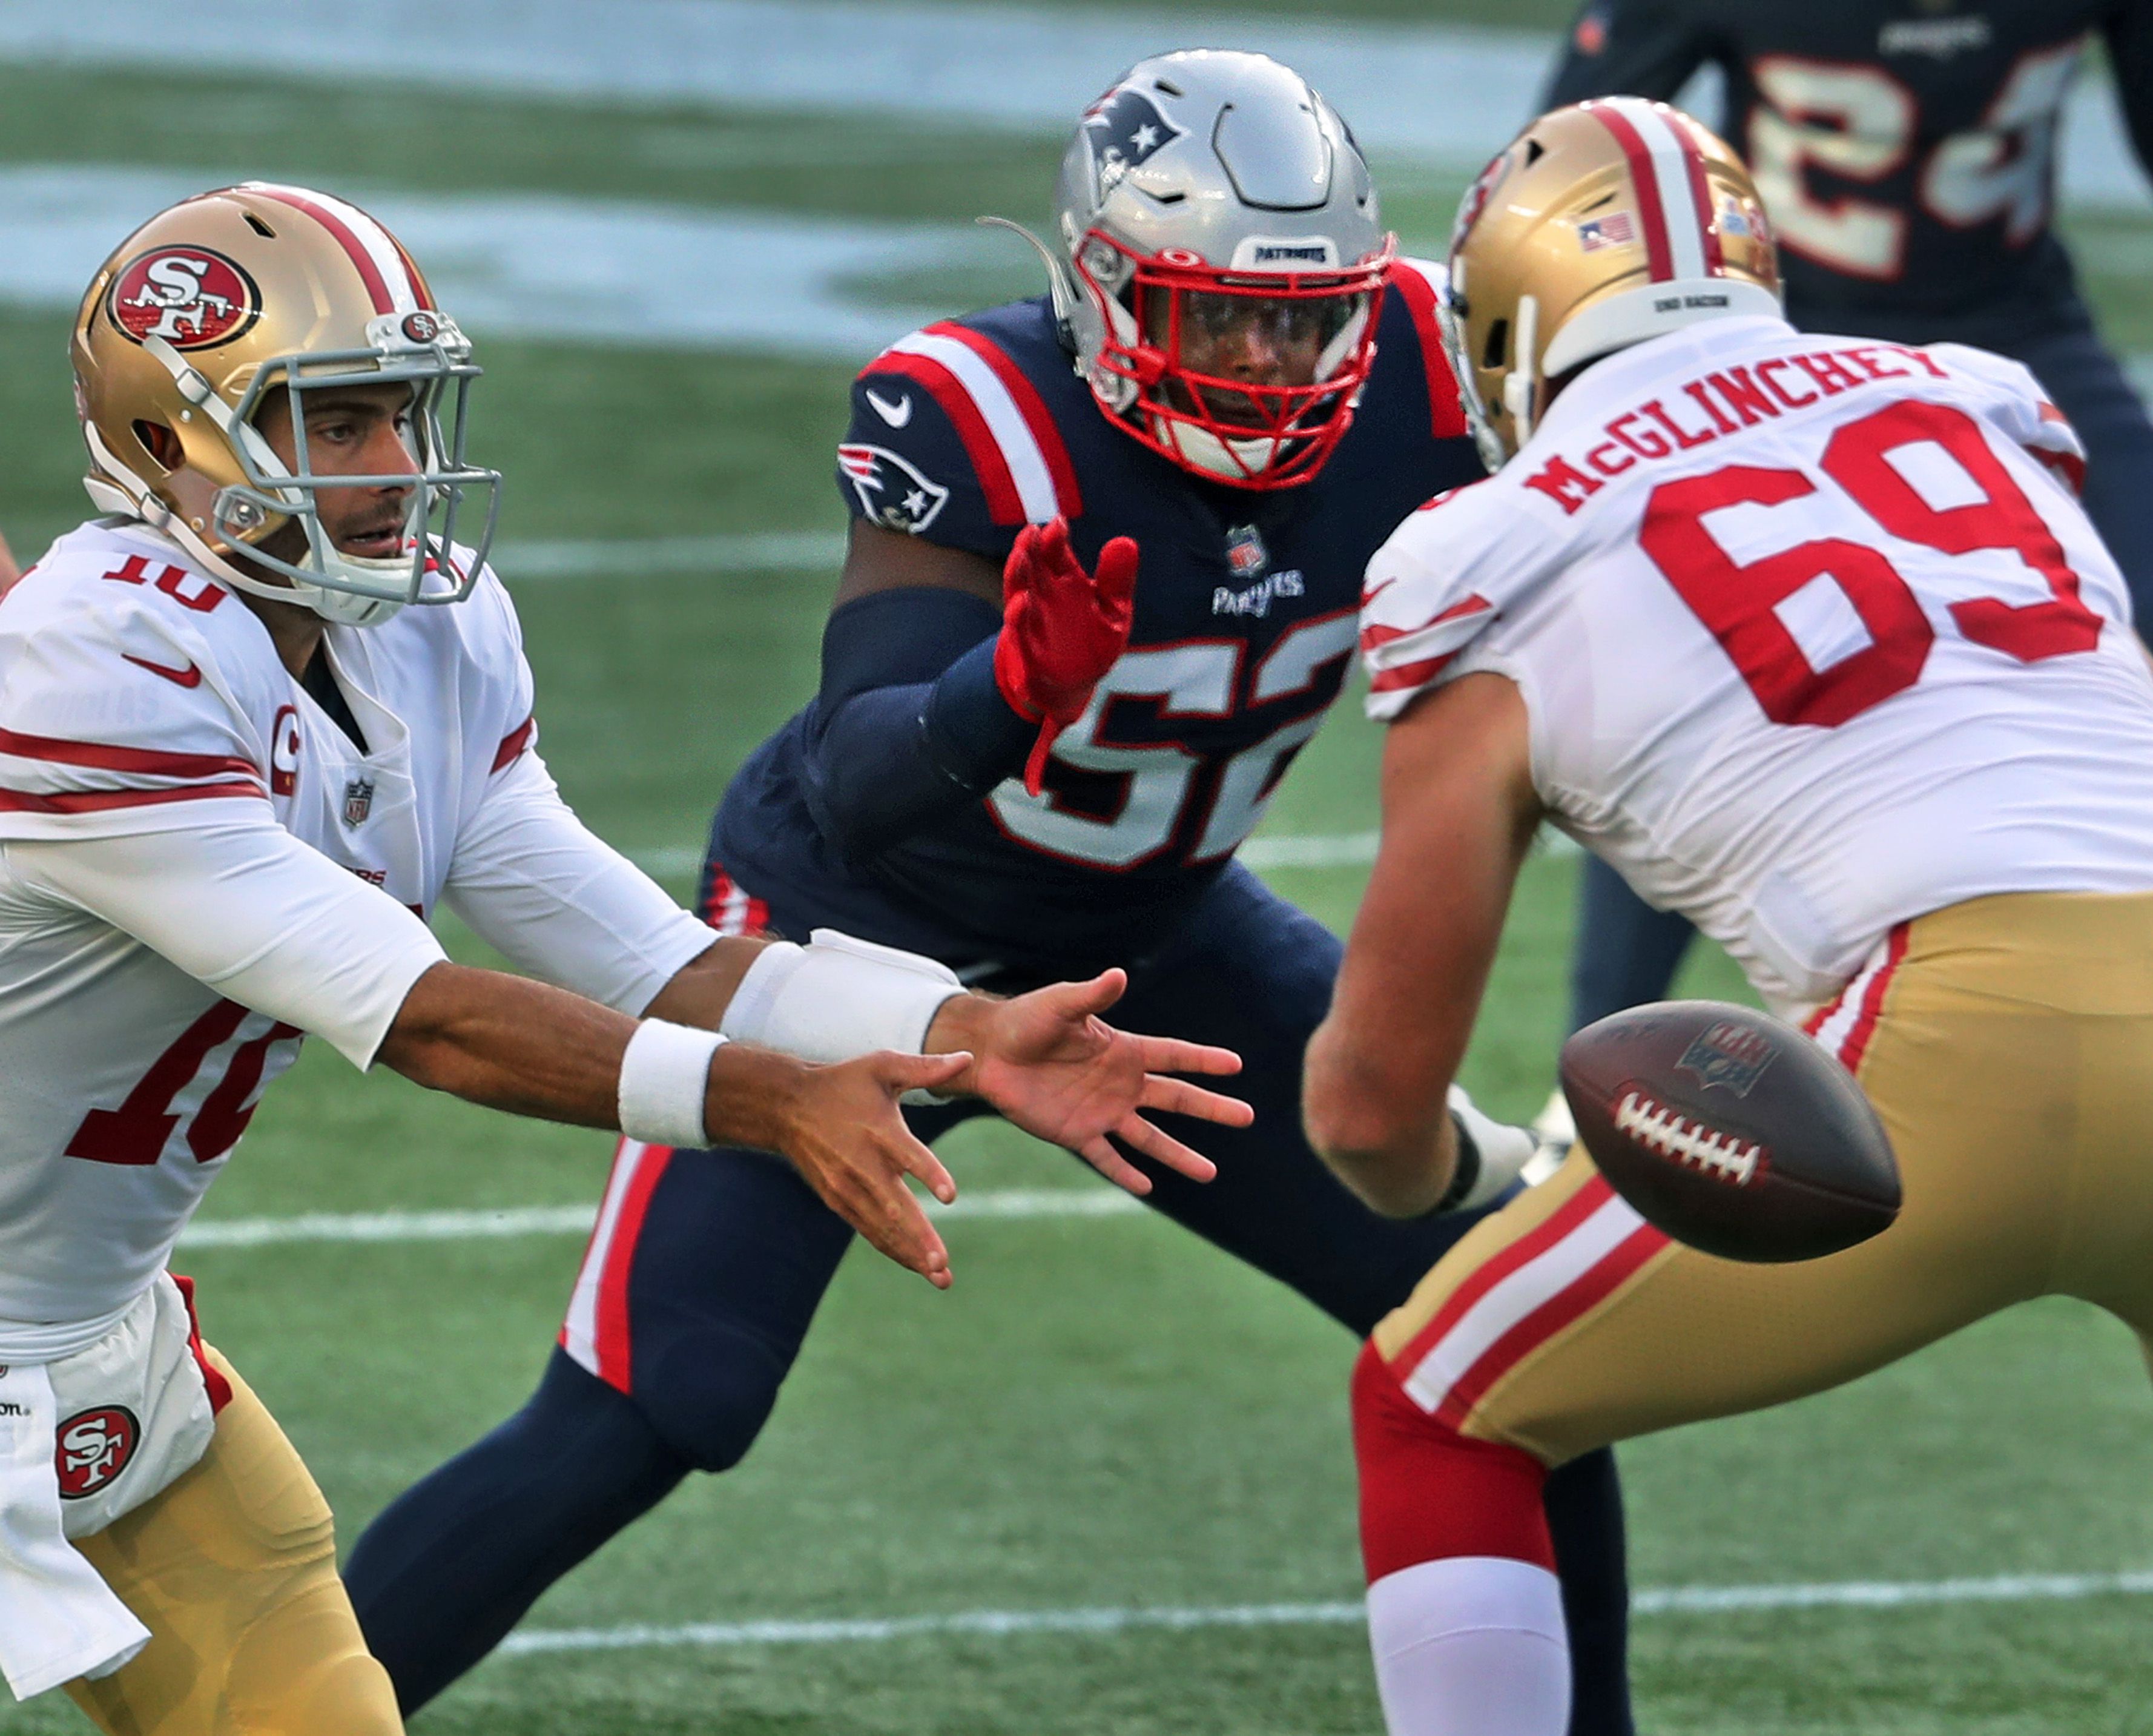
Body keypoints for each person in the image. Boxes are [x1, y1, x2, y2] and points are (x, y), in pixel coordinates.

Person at [343, 50, 1640, 1732]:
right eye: (1212, 318)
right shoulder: (978, 406)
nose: (1264, 360)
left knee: (1510, 1326)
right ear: (1101, 291)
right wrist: (1007, 693)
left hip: (1151, 932)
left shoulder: (1419, 365)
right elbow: (870, 780)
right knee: (663, 1401)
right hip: (853, 931)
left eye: (1299, 318)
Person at [0, 181, 1248, 1735]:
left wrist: (958, 1028)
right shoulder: (93, 664)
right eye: (335, 424)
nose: (398, 467)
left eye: (402, 408)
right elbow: (427, 1017)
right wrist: (771, 1103)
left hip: (102, 1347)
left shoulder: (424, 638)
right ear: (176, 443)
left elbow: (646, 953)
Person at [1308, 97, 2153, 1735]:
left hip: (1941, 1047)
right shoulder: (1977, 401)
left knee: (1433, 1407)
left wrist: (1452, 1172)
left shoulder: (1488, 547)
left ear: (1506, 318)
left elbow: (1363, 1108)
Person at [1538, 0, 2153, 1057]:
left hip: (2018, 330)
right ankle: (1602, 1058)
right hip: (1781, 339)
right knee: (1701, 663)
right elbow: (1566, 162)